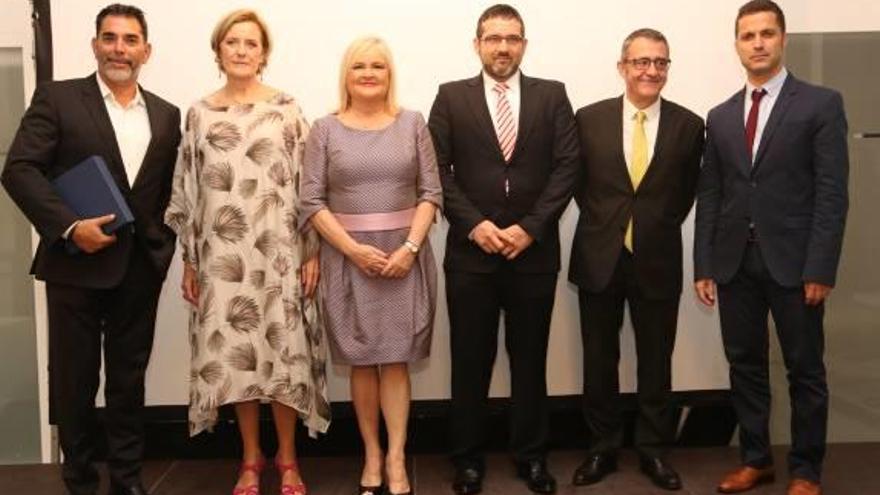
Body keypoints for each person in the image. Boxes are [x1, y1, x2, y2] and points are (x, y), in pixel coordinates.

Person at [1, 4, 180, 495]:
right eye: (109, 38)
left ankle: (127, 480)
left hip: (138, 269)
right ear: (95, 44)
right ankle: (79, 480)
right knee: (74, 385)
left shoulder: (166, 115)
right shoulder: (58, 98)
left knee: (128, 383)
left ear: (146, 50)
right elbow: (19, 169)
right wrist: (68, 226)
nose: (119, 48)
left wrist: (162, 248)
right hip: (75, 265)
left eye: (129, 39)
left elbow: (163, 190)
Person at [163, 9, 329, 495]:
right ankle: (251, 458)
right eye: (231, 42)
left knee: (282, 356)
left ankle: (289, 459)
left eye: (250, 43)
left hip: (279, 255)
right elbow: (188, 190)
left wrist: (311, 250)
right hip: (222, 256)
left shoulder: (287, 109)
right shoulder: (199, 114)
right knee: (238, 358)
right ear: (218, 51)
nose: (240, 50)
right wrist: (191, 260)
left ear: (264, 53)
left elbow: (308, 186)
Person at [693, 2, 849, 494]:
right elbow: (711, 194)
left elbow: (832, 192)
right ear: (737, 44)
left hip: (797, 265)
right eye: (747, 35)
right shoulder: (719, 117)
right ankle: (756, 459)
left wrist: (820, 266)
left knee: (805, 370)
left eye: (766, 34)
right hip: (735, 262)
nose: (757, 43)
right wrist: (704, 264)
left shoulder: (820, 104)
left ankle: (806, 470)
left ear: (783, 39)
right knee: (745, 365)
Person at [427, 4, 580, 494]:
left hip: (532, 255)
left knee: (530, 361)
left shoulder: (552, 96)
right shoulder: (451, 97)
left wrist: (530, 228)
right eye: (493, 38)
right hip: (471, 256)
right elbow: (436, 171)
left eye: (512, 38)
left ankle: (531, 458)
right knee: (470, 360)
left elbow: (567, 168)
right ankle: (467, 461)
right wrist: (475, 226)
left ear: (524, 44)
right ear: (477, 44)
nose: (502, 47)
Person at [299, 36, 442, 495]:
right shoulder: (324, 129)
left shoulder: (413, 123)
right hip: (348, 260)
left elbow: (431, 194)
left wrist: (410, 248)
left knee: (395, 362)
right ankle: (372, 455)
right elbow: (311, 201)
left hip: (405, 257)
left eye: (377, 66)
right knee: (361, 363)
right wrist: (352, 250)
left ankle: (397, 457)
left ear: (389, 74)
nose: (368, 73)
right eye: (359, 65)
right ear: (346, 74)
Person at [569, 28, 704, 491]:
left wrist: (651, 225)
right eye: (642, 62)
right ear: (622, 66)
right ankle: (601, 449)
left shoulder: (690, 125)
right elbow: (580, 188)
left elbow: (685, 194)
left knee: (655, 362)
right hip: (600, 256)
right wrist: (612, 226)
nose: (651, 71)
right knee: (599, 361)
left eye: (660, 63)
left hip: (657, 258)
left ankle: (653, 451)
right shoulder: (588, 119)